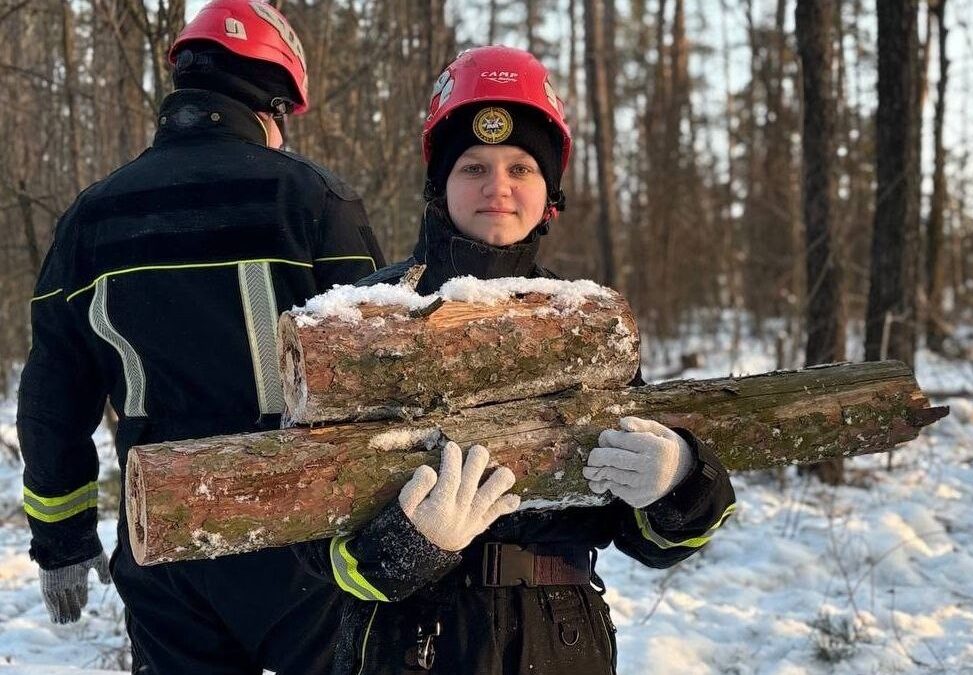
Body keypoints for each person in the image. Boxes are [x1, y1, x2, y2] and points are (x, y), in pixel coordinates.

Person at [299, 45, 737, 674]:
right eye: (473, 166)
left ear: (549, 192)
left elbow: (651, 541)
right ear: (440, 183)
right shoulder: (363, 322)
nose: (497, 187)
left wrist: (681, 479)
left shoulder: (586, 324)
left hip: (563, 640)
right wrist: (408, 546)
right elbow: (304, 539)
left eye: (521, 167)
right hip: (410, 641)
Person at [17, 1, 385, 672]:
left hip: (163, 544)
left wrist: (63, 536)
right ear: (271, 103)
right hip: (306, 540)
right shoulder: (313, 199)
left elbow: (51, 395)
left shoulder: (91, 217)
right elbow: (377, 369)